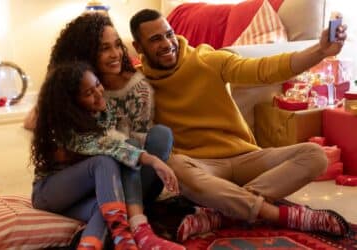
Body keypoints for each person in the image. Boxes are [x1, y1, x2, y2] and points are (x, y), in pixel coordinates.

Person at [129, 9, 350, 241]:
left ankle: (223, 213)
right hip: (201, 169)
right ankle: (280, 214)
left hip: (245, 158)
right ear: (139, 47)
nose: (167, 43)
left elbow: (264, 69)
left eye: (169, 34)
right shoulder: (138, 83)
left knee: (315, 155)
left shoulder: (207, 59)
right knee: (173, 166)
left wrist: (320, 51)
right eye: (155, 39)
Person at [30, 61, 185, 249]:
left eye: (97, 85)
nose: (98, 93)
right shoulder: (66, 129)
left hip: (85, 196)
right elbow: (107, 147)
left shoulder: (101, 113)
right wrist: (152, 160)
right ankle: (125, 237)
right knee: (104, 161)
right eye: (88, 93)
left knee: (104, 207)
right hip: (50, 194)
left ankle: (97, 244)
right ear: (72, 103)